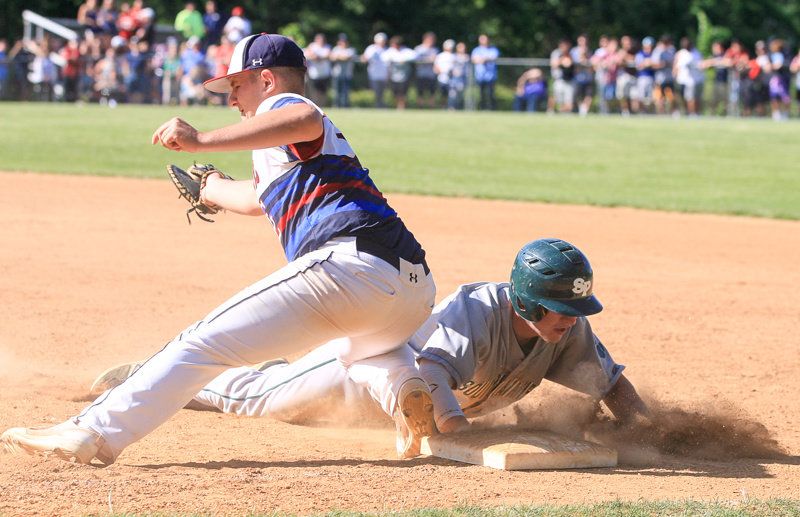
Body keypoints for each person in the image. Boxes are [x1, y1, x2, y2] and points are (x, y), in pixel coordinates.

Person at [1, 33, 437, 465]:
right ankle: (414, 395)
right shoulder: (296, 151)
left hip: (350, 267)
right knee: (365, 350)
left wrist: (201, 140)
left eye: (236, 85)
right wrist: (210, 188)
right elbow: (255, 199)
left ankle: (92, 429)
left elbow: (303, 117)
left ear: (267, 80)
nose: (231, 99)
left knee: (200, 343)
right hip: (411, 289)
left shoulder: (285, 107)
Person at [91, 239, 650, 439]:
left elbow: (610, 385)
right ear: (525, 302)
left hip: (406, 409)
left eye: (576, 309)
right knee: (261, 399)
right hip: (365, 373)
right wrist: (456, 432)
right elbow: (431, 373)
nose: (571, 319)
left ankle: (266, 370)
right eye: (561, 309)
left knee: (294, 408)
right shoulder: (476, 313)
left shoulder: (567, 330)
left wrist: (652, 430)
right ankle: (158, 377)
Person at [382, 36, 416, 110]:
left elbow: (415, 56)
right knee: (395, 92)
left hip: (405, 76)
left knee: (403, 93)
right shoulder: (390, 51)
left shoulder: (406, 51)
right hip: (393, 76)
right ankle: (398, 106)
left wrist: (404, 60)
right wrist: (394, 60)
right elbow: (383, 58)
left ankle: (402, 107)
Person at [673, 37, 701, 116]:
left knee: (690, 98)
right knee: (680, 97)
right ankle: (680, 111)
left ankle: (692, 113)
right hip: (680, 80)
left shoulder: (695, 53)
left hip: (691, 80)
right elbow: (676, 65)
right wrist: (674, 74)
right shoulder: (680, 53)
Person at [471, 34, 499, 110]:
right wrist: (483, 59)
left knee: (491, 94)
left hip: (491, 76)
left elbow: (493, 57)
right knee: (481, 95)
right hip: (480, 76)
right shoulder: (476, 50)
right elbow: (474, 59)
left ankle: (492, 109)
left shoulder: (493, 49)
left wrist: (483, 59)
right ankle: (482, 109)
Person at [304, 33, 332, 107]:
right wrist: (315, 57)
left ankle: (322, 105)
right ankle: (315, 105)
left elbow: (328, 55)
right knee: (314, 92)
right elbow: (307, 54)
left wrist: (318, 57)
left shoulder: (327, 46)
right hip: (314, 74)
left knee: (323, 92)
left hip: (325, 73)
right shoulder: (312, 46)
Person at [362, 32, 388, 108]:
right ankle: (376, 106)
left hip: (384, 75)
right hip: (373, 74)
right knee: (376, 92)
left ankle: (380, 106)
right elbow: (364, 58)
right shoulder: (371, 48)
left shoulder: (387, 49)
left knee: (382, 93)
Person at [329, 33, 355, 108]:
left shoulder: (350, 50)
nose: (343, 43)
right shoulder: (336, 49)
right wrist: (340, 57)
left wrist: (338, 57)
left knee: (345, 92)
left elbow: (347, 57)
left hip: (347, 74)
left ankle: (345, 106)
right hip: (337, 74)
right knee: (336, 92)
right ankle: (336, 105)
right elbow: (332, 58)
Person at [571, 34, 594, 116]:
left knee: (589, 95)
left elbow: (591, 64)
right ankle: (581, 109)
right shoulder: (574, 51)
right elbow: (576, 64)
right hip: (578, 78)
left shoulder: (589, 51)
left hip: (588, 78)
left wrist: (585, 58)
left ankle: (584, 110)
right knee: (578, 95)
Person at [549, 38, 574, 113]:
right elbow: (554, 64)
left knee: (568, 101)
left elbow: (569, 64)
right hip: (558, 79)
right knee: (557, 99)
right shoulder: (556, 53)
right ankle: (552, 111)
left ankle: (564, 112)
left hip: (569, 80)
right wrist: (562, 60)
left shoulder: (570, 53)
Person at [652, 35, 675, 116]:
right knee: (659, 97)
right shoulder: (658, 51)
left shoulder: (671, 50)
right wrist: (664, 64)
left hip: (670, 77)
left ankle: (670, 113)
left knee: (671, 97)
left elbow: (674, 62)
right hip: (660, 78)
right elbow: (654, 64)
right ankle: (661, 113)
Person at [414, 32, 438, 108]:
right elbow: (416, 61)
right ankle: (420, 107)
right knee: (420, 92)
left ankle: (431, 107)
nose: (432, 41)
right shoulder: (418, 49)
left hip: (431, 75)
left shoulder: (435, 49)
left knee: (432, 92)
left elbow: (436, 61)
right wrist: (429, 59)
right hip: (421, 74)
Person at [634, 36, 656, 114]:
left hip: (652, 77)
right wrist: (648, 63)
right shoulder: (640, 54)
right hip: (642, 77)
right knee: (641, 97)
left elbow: (656, 64)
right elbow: (639, 66)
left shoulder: (654, 54)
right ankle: (642, 112)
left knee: (651, 98)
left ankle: (650, 112)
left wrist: (648, 63)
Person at [433, 39, 455, 103]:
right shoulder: (440, 56)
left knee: (451, 94)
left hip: (452, 80)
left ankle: (449, 105)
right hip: (441, 78)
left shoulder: (453, 56)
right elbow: (435, 68)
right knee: (443, 94)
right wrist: (442, 72)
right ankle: (443, 105)